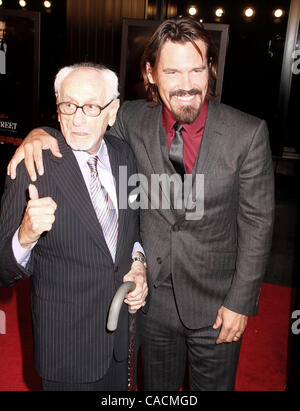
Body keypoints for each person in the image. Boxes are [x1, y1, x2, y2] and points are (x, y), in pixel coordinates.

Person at [7, 17, 274, 391]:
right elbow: (84, 123)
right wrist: (40, 133)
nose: (186, 85)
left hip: (218, 306)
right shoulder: (131, 119)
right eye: (172, 72)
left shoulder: (248, 133)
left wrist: (241, 303)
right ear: (150, 73)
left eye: (197, 70)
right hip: (152, 305)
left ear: (211, 70)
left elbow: (258, 226)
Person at [0, 62, 148, 391]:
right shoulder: (31, 166)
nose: (78, 118)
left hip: (122, 338)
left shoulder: (125, 156)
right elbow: (2, 269)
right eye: (69, 105)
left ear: (112, 111)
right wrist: (24, 236)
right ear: (57, 107)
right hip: (66, 349)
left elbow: (133, 229)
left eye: (92, 107)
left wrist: (138, 264)